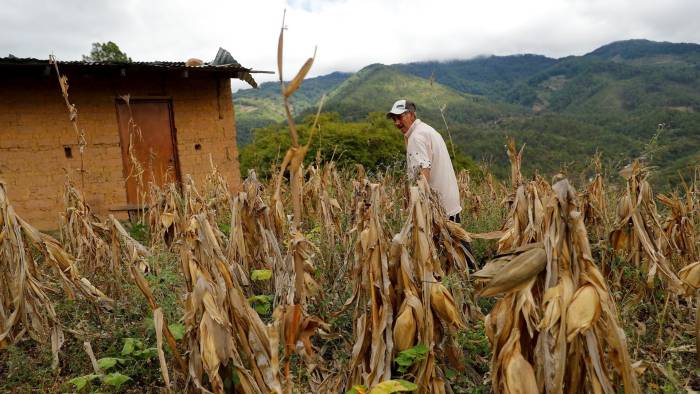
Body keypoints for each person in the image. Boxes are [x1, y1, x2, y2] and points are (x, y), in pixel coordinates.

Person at [386, 99, 463, 223]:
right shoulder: (427, 130)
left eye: (399, 117)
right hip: (449, 203)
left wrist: (418, 207)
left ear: (411, 114)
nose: (397, 123)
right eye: (394, 119)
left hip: (437, 208)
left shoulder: (416, 137)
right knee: (457, 241)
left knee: (447, 242)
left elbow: (423, 172)